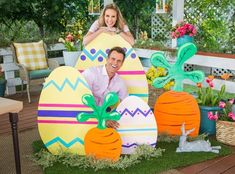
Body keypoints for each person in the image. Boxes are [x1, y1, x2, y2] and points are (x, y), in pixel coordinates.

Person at [82, 46, 128, 129]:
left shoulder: (121, 82)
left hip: (106, 120)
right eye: (113, 59)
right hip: (86, 117)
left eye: (119, 61)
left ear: (122, 64)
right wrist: (102, 119)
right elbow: (81, 98)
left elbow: (125, 104)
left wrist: (111, 118)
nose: (115, 63)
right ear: (107, 59)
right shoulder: (91, 73)